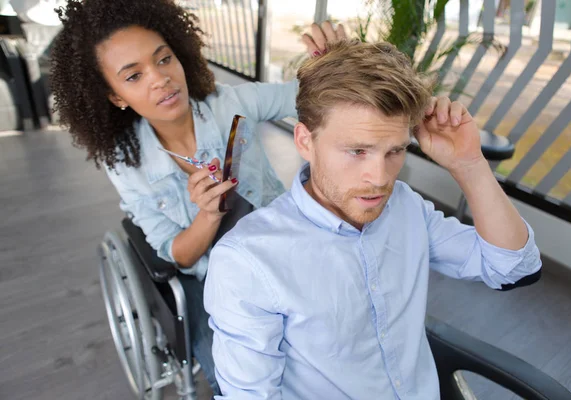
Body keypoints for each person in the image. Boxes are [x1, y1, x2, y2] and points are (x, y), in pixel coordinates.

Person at [204, 39, 543, 400]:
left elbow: (513, 267)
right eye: (357, 151)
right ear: (305, 141)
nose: (380, 177)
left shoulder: (405, 207)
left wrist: (469, 164)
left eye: (395, 151)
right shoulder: (248, 262)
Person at [49, 0, 345, 395]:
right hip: (215, 281)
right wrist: (207, 216)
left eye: (164, 59)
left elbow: (306, 96)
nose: (160, 79)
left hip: (284, 249)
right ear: (115, 96)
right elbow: (179, 256)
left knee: (334, 347)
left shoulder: (230, 105)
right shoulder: (126, 163)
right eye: (134, 76)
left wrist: (333, 64)